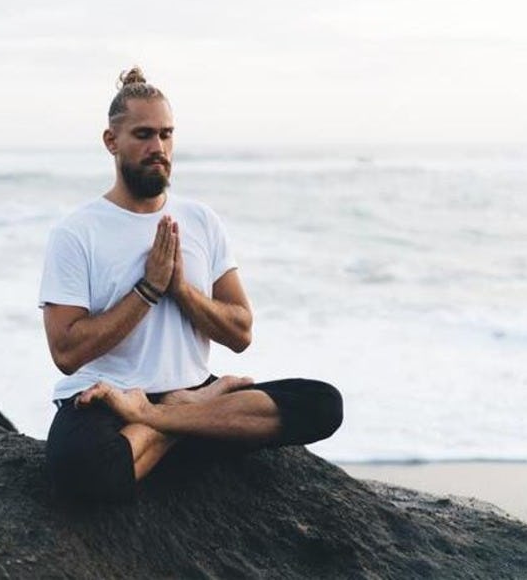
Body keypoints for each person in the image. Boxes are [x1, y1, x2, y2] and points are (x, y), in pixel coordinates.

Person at [38, 67, 343, 501]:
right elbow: (66, 353)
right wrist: (148, 290)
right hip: (104, 400)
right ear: (111, 142)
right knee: (80, 474)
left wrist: (181, 290)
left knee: (322, 404)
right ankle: (188, 416)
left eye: (166, 135)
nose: (157, 148)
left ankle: (169, 416)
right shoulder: (77, 232)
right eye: (143, 135)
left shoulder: (200, 221)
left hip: (189, 388)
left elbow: (240, 332)